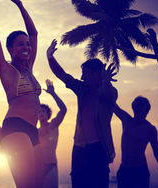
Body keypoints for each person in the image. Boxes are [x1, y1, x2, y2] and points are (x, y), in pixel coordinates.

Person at [0, 0, 43, 187]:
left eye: (28, 45)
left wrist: (20, 5)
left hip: (33, 131)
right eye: (21, 44)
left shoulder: (29, 67)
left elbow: (34, 33)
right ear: (10, 49)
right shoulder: (5, 70)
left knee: (39, 185)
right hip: (16, 128)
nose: (27, 48)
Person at [47, 39, 118, 188]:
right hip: (79, 149)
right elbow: (63, 75)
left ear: (96, 74)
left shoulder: (108, 92)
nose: (82, 77)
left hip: (98, 148)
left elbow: (110, 95)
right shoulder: (82, 89)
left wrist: (106, 82)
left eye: (85, 73)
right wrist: (50, 57)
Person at [114, 96, 158, 188]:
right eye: (137, 109)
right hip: (124, 170)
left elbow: (157, 151)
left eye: (141, 110)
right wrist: (104, 84)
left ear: (146, 111)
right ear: (134, 108)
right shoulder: (126, 120)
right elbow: (112, 105)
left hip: (140, 171)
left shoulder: (150, 129)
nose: (139, 112)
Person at [38, 79, 67, 188]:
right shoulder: (35, 132)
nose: (40, 114)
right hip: (38, 168)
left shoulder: (53, 125)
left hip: (51, 166)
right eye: (38, 111)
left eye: (42, 111)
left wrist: (53, 94)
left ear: (47, 114)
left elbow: (63, 110)